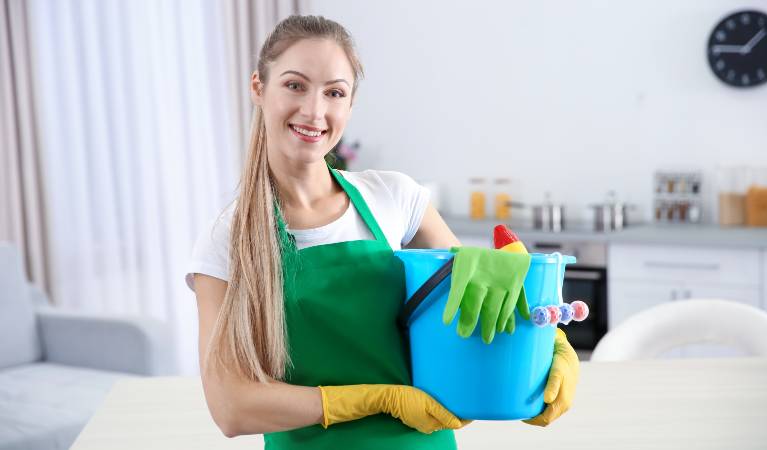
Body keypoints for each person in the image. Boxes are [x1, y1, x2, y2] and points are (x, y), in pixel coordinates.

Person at [186, 15, 579, 450]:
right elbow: (231, 406)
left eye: (334, 92)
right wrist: (378, 400)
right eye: (295, 85)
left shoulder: (394, 197)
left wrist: (548, 348)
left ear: (349, 105)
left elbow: (474, 314)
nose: (314, 111)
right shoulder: (229, 238)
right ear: (258, 88)